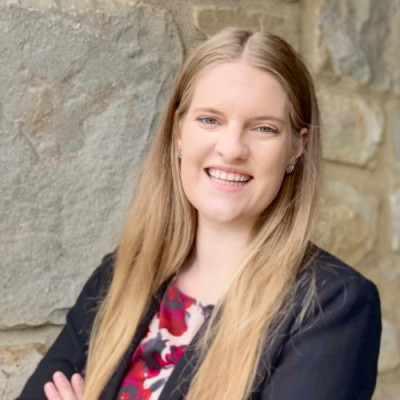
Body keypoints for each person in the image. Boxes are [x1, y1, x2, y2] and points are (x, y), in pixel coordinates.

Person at [18, 28, 381, 400]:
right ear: (179, 132)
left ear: (296, 149)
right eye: (210, 120)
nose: (232, 148)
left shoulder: (332, 306)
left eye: (264, 128)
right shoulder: (120, 276)